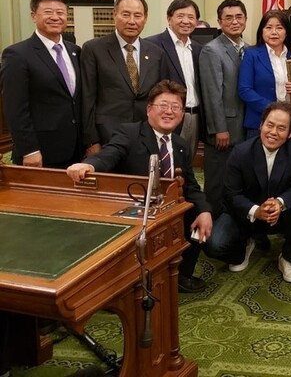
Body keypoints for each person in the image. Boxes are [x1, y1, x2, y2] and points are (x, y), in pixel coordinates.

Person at [66, 80, 213, 293]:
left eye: (175, 107)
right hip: (134, 211)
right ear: (149, 109)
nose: (169, 112)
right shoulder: (129, 133)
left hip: (167, 208)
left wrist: (205, 210)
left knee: (198, 215)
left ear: (182, 114)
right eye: (163, 105)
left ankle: (181, 275)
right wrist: (89, 165)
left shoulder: (180, 145)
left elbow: (190, 184)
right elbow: (109, 154)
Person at [205, 101, 291, 282]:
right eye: (269, 125)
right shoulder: (240, 152)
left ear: (290, 133)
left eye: (281, 128)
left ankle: (289, 259)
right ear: (261, 125)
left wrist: (279, 203)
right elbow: (231, 194)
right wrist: (255, 211)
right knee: (214, 245)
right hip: (244, 214)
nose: (273, 132)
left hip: (278, 215)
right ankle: (243, 245)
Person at [0, 0, 82, 168]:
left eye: (60, 12)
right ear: (33, 16)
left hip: (77, 150)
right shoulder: (17, 54)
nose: (55, 17)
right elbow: (15, 108)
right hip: (41, 153)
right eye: (48, 12)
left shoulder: (75, 51)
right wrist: (29, 150)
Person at [80, 0, 169, 153]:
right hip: (107, 135)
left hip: (146, 134)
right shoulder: (94, 49)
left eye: (137, 15)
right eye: (126, 14)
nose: (132, 21)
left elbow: (160, 95)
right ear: (114, 15)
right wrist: (91, 141)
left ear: (145, 18)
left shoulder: (156, 53)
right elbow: (87, 98)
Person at [199, 0, 248, 215]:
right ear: (219, 22)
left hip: (244, 127)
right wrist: (219, 128)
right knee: (218, 185)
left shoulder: (248, 48)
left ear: (245, 20)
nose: (234, 21)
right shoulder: (212, 50)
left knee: (240, 182)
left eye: (239, 17)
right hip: (224, 131)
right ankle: (212, 231)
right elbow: (212, 94)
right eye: (228, 18)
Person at [145, 0, 203, 153]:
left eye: (191, 17)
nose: (186, 21)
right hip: (167, 115)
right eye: (180, 16)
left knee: (186, 164)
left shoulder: (199, 49)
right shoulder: (152, 45)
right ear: (169, 18)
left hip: (194, 116)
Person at [238, 9, 291, 139]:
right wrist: (272, 110)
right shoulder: (251, 54)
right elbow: (244, 90)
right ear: (262, 31)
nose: (274, 32)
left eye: (279, 28)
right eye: (268, 27)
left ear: (286, 32)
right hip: (259, 122)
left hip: (290, 124)